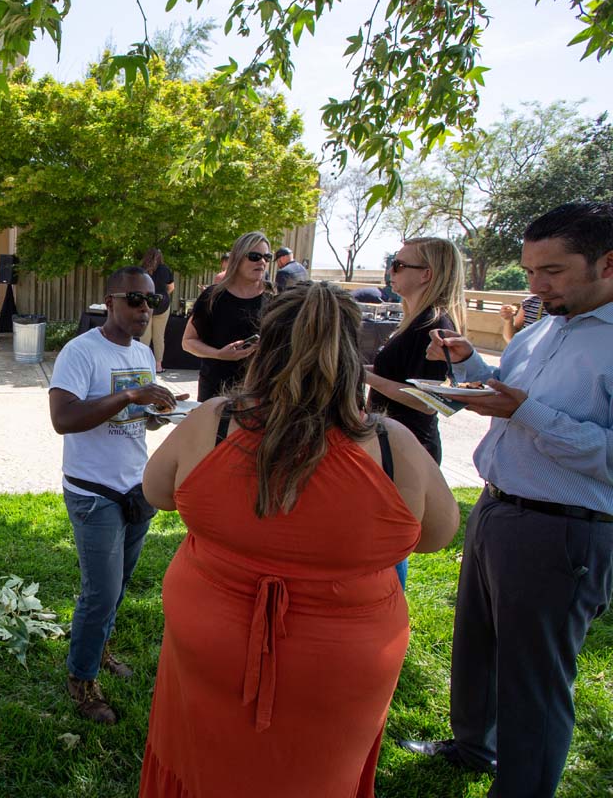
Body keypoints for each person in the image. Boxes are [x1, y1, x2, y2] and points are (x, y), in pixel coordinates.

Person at [138, 282, 458, 797]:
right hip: (344, 661)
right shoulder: (391, 445)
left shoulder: (215, 423)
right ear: (354, 355)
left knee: (205, 767)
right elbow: (438, 535)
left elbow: (157, 491)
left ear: (264, 348)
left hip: (211, 639)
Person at [401, 202, 613, 797]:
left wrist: (527, 411)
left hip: (563, 527)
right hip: (498, 509)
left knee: (536, 679)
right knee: (477, 646)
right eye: (528, 271)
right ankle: (473, 745)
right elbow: (513, 389)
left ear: (607, 263)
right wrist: (468, 362)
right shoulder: (545, 327)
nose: (535, 286)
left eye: (553, 271)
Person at [48, 267, 186, 725]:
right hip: (93, 490)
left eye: (152, 302)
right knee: (101, 592)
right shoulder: (80, 352)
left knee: (119, 584)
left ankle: (98, 646)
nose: (145, 309)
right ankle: (81, 678)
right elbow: (63, 419)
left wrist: (160, 410)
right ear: (109, 300)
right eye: (135, 299)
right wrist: (129, 395)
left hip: (135, 484)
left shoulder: (145, 353)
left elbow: (137, 418)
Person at [364, 237, 467, 465]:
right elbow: (398, 372)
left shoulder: (433, 325)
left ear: (426, 274)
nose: (391, 270)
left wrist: (365, 376)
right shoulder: (417, 321)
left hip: (411, 450)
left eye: (399, 265)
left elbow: (427, 401)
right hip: (392, 443)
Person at [183, 232, 273, 401]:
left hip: (260, 392)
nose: (262, 262)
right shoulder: (214, 296)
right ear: (237, 259)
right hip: (216, 391)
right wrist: (219, 354)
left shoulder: (275, 297)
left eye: (267, 257)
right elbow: (188, 342)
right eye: (254, 256)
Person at [139, 248, 174, 373]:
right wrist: (163, 295)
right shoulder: (165, 269)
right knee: (159, 336)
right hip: (162, 304)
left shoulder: (142, 270)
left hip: (146, 304)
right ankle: (158, 366)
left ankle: (143, 365)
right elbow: (171, 287)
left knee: (144, 336)